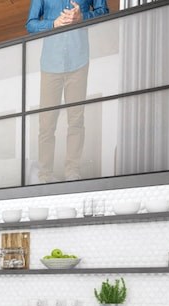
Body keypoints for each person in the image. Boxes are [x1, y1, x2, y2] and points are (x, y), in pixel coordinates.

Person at [27, 0, 108, 182]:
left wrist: (82, 17)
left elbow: (104, 12)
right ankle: (45, 175)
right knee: (46, 125)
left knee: (76, 121)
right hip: (50, 65)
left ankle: (72, 172)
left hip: (78, 62)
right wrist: (53, 24)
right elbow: (30, 24)